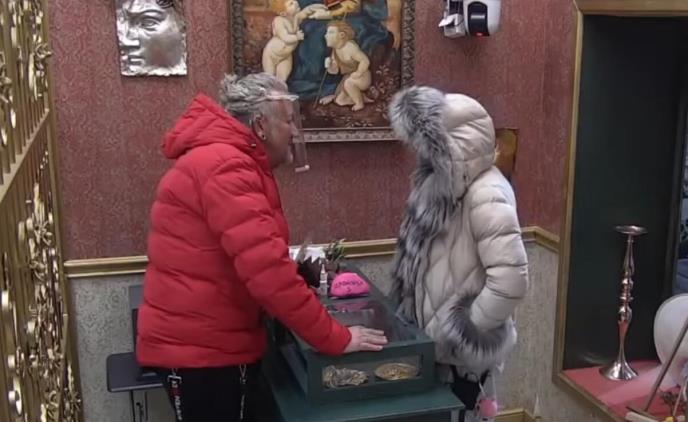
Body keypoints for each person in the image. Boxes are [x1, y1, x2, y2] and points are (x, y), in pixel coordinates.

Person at [136, 73, 387, 422]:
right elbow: (269, 276)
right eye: (289, 120)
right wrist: (337, 338)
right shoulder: (225, 165)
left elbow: (251, 256)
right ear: (260, 125)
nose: (295, 131)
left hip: (205, 343)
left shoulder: (224, 159)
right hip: (204, 353)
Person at [388, 86, 529, 422]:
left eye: (429, 147)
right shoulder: (441, 188)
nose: (421, 155)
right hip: (437, 354)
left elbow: (511, 281)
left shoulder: (487, 193)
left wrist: (464, 334)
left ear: (454, 146)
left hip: (462, 364)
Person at [261, 1, 326, 82]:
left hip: (286, 56)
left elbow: (305, 12)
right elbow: (285, 37)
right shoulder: (279, 21)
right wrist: (296, 37)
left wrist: (316, 7)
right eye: (291, 4)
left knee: (282, 79)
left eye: (294, 1)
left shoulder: (296, 18)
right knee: (270, 78)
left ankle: (280, 88)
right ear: (283, 12)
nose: (295, 2)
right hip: (271, 55)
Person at [320, 21, 372, 111]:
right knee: (340, 101)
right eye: (326, 33)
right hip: (349, 77)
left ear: (342, 35)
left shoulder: (350, 47)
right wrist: (329, 65)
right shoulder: (335, 50)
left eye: (330, 32)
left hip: (363, 76)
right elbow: (335, 71)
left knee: (349, 83)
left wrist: (359, 72)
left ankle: (359, 103)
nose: (325, 35)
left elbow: (365, 60)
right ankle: (359, 97)